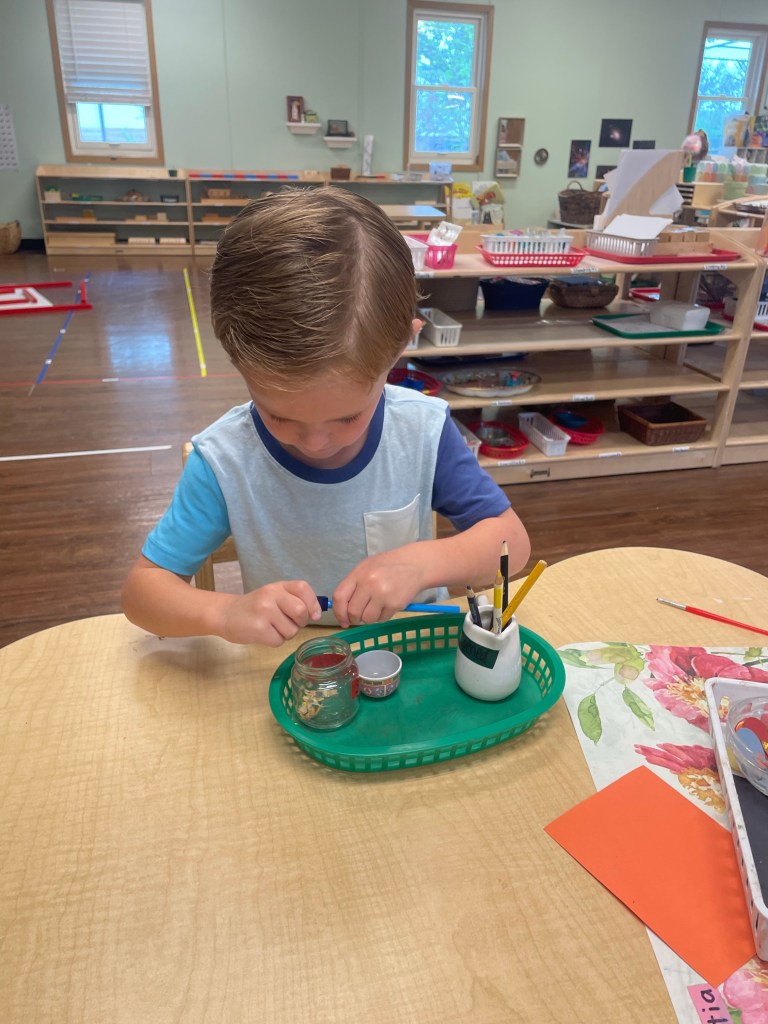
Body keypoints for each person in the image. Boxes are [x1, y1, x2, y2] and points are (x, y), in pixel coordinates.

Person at [122, 188, 531, 647]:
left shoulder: (422, 431)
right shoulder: (224, 461)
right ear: (236, 361)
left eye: (348, 417)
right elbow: (142, 593)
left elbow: (512, 544)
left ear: (401, 346)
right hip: (294, 664)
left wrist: (421, 564)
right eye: (279, 416)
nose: (315, 442)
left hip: (408, 653)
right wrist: (223, 612)